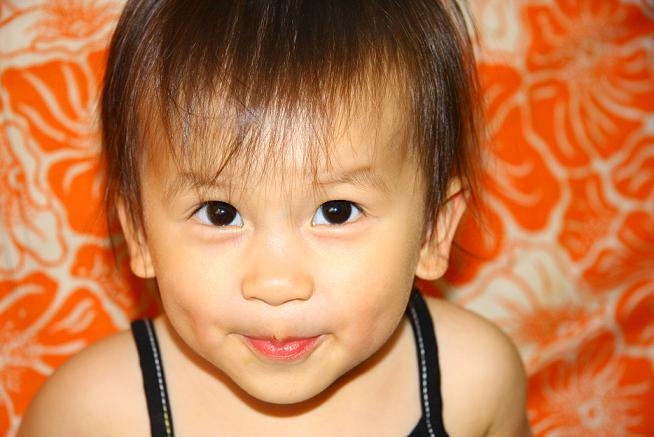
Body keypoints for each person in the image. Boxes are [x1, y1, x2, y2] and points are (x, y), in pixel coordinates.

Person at [19, 1, 531, 436]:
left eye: (337, 212)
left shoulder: (474, 381)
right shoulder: (91, 415)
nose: (276, 284)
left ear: (433, 231)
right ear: (140, 233)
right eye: (220, 214)